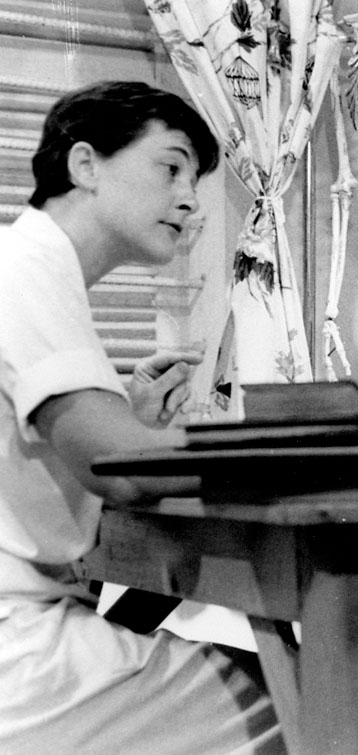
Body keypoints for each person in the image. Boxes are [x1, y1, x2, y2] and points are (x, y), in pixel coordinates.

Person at [0, 81, 283, 753]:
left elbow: (84, 453)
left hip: (29, 624)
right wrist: (310, 447)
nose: (190, 198)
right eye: (172, 166)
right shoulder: (25, 269)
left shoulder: (34, 269)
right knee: (292, 700)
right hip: (18, 644)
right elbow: (119, 468)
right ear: (85, 165)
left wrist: (127, 420)